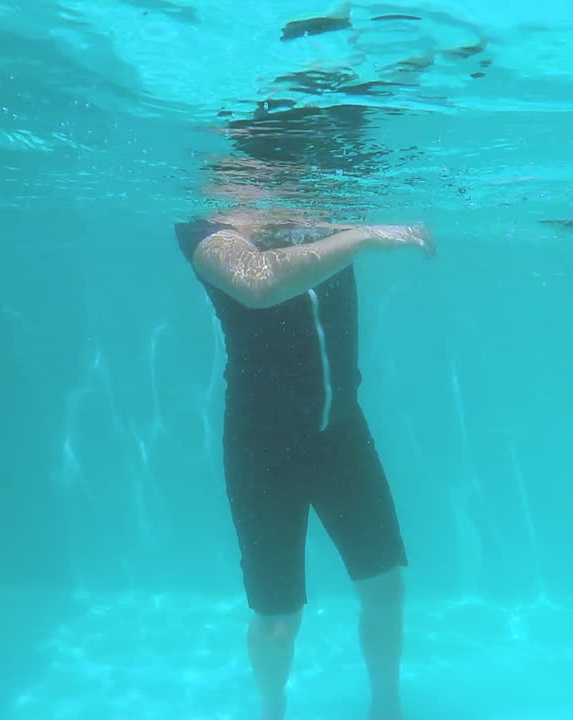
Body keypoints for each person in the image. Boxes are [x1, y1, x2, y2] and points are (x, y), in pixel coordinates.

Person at [174, 182, 433, 720]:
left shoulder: (321, 211)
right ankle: (272, 711)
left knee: (386, 585)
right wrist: (362, 236)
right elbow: (258, 283)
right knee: (278, 614)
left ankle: (388, 709)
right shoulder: (204, 230)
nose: (270, 185)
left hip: (342, 430)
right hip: (261, 445)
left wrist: (349, 227)